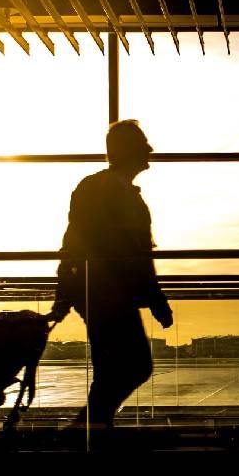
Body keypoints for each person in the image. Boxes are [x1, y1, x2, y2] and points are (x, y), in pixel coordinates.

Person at [47, 120, 174, 428]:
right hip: (108, 294)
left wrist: (65, 292)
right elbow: (134, 254)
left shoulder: (99, 188)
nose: (150, 149)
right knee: (134, 366)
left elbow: (73, 242)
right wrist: (156, 300)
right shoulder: (110, 191)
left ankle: (91, 430)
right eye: (143, 143)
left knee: (114, 368)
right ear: (128, 150)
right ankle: (88, 429)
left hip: (100, 292)